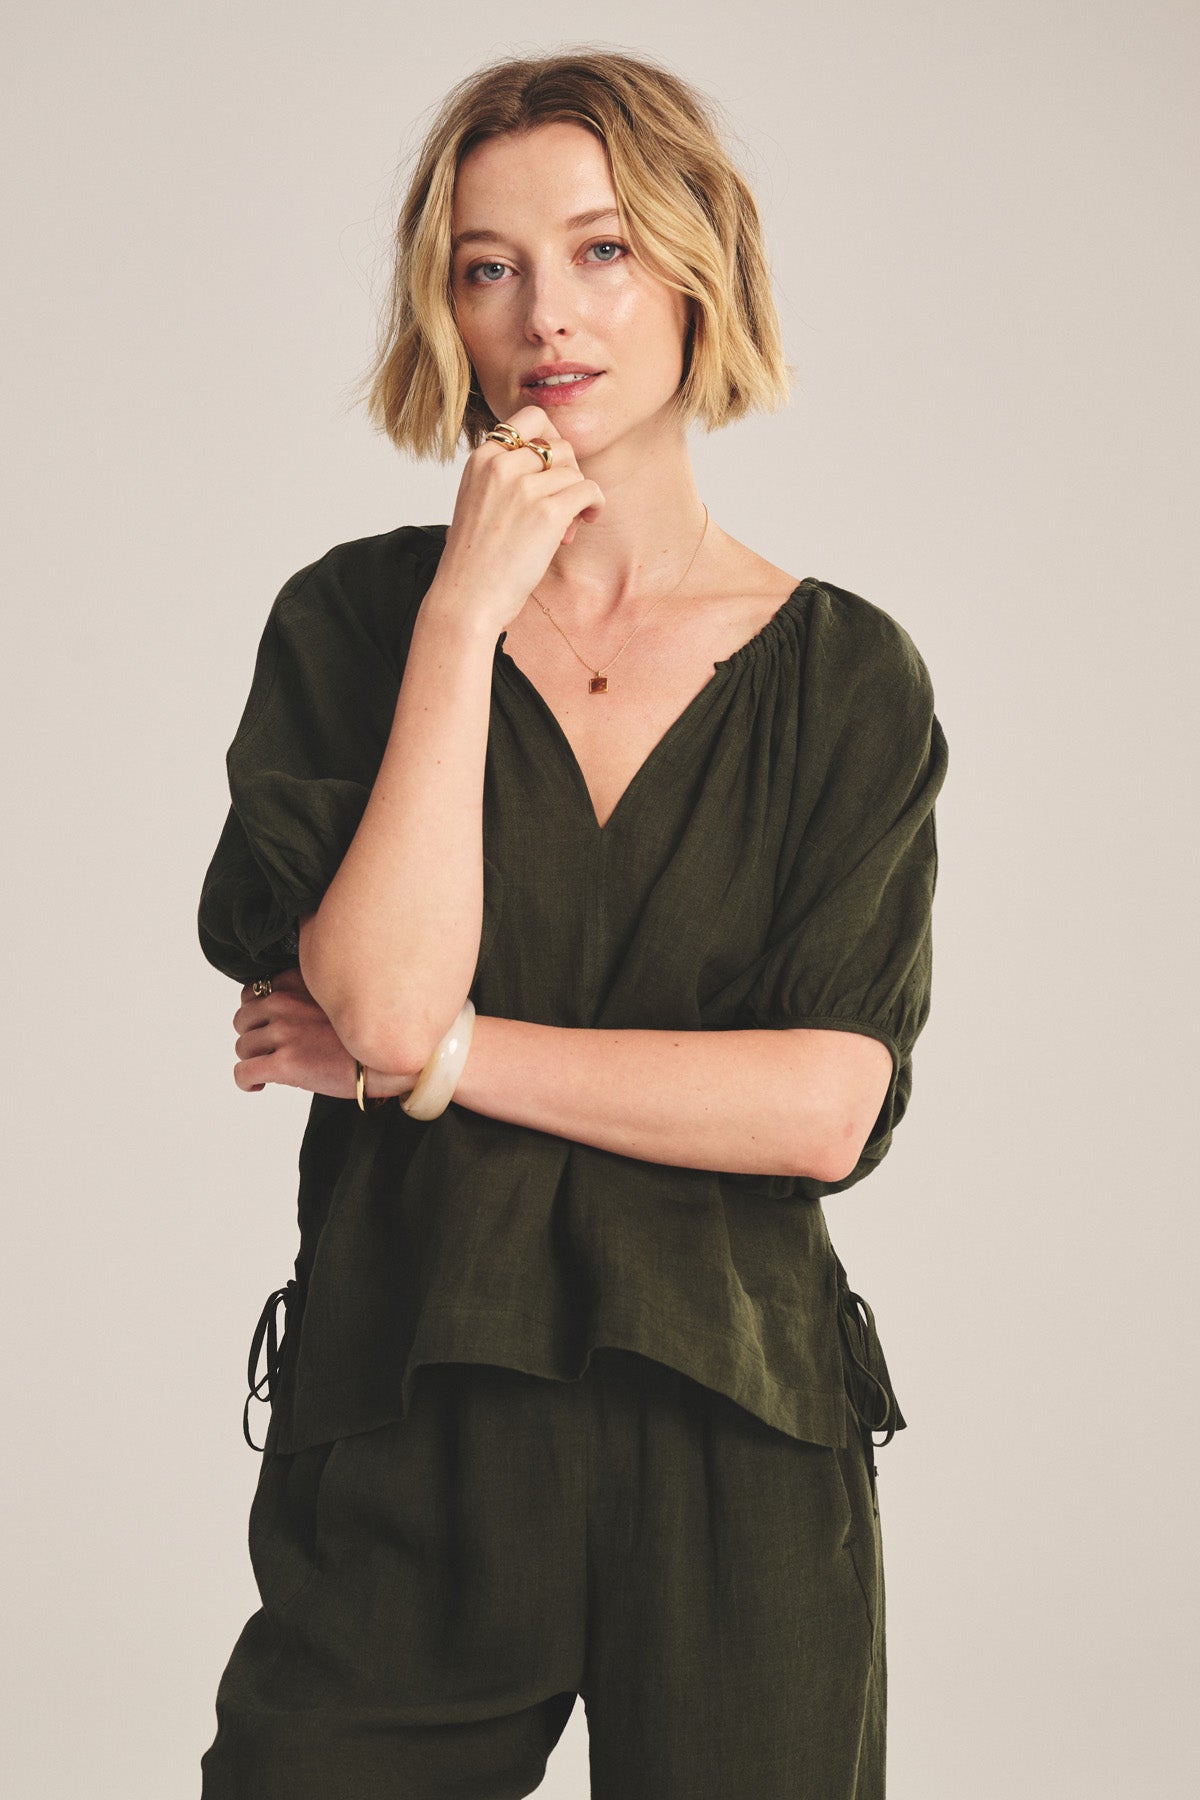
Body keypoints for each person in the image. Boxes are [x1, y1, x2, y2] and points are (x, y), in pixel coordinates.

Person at [197, 46, 948, 1800]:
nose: (549, 312)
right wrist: (466, 615)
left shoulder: (844, 679)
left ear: (698, 267)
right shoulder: (360, 624)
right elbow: (373, 997)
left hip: (738, 1432)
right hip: (405, 1414)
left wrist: (447, 1060)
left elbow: (822, 1106)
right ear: (440, 306)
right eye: (488, 265)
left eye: (603, 250)